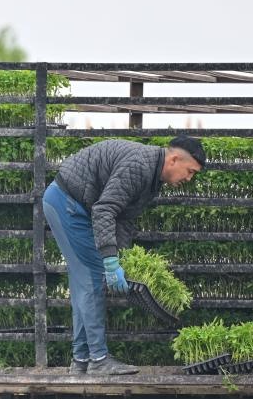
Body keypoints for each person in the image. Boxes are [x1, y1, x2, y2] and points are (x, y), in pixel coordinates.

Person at [42, 135, 205, 375]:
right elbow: (105, 209)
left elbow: (124, 218)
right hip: (67, 204)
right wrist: (110, 261)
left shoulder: (153, 177)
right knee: (92, 280)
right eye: (190, 171)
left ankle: (82, 359)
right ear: (174, 159)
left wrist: (122, 257)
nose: (189, 179)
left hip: (71, 205)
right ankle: (98, 359)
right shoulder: (140, 166)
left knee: (84, 283)